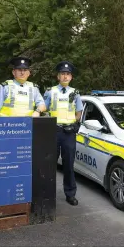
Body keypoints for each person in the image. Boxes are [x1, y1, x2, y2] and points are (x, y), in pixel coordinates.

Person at [44, 61, 83, 206]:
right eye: (62, 74)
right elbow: (43, 109)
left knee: (68, 165)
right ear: (58, 76)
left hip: (68, 133)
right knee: (49, 164)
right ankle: (47, 194)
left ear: (71, 77)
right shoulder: (50, 91)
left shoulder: (75, 93)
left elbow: (78, 112)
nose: (65, 77)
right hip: (53, 131)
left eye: (68, 74)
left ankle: (70, 194)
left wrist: (74, 124)